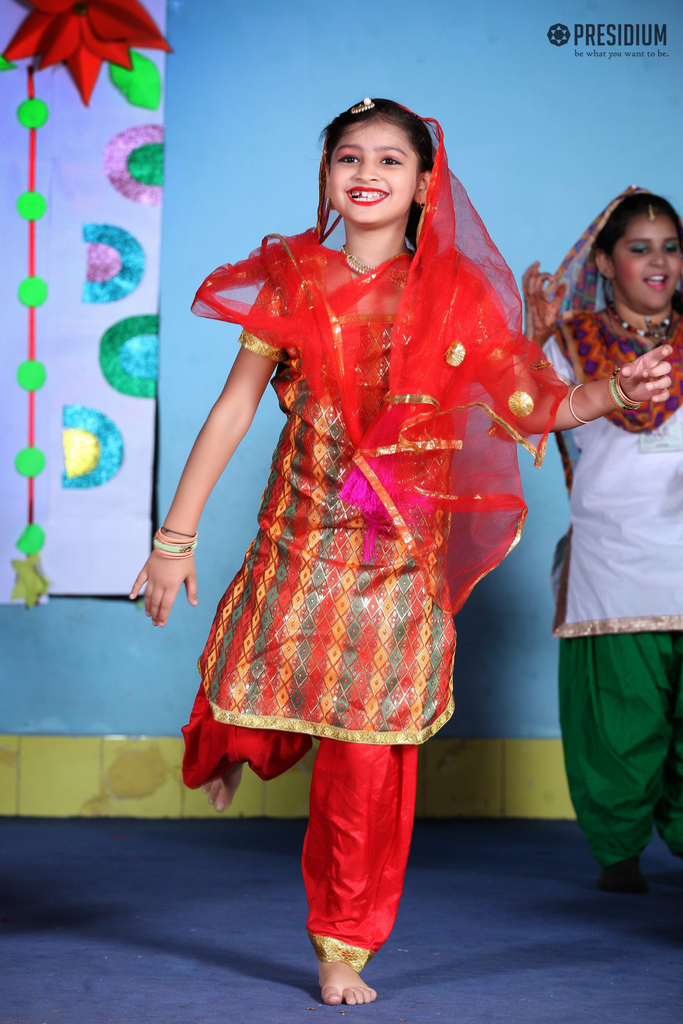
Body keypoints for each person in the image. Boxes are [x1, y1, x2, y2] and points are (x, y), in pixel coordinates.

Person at [130, 104, 672, 1004]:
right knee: (247, 699)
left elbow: (530, 408)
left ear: (425, 183)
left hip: (396, 559)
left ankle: (342, 942)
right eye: (348, 156)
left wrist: (611, 389)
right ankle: (224, 745)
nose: (366, 170)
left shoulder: (455, 290)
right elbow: (232, 410)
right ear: (327, 176)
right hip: (299, 537)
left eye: (389, 158)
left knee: (369, 754)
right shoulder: (292, 277)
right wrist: (173, 541)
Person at [523, 189, 683, 894]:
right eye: (640, 247)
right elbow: (522, 419)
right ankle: (617, 851)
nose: (658, 262)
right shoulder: (570, 342)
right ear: (604, 260)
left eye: (670, 247)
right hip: (612, 560)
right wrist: (530, 341)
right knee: (618, 717)